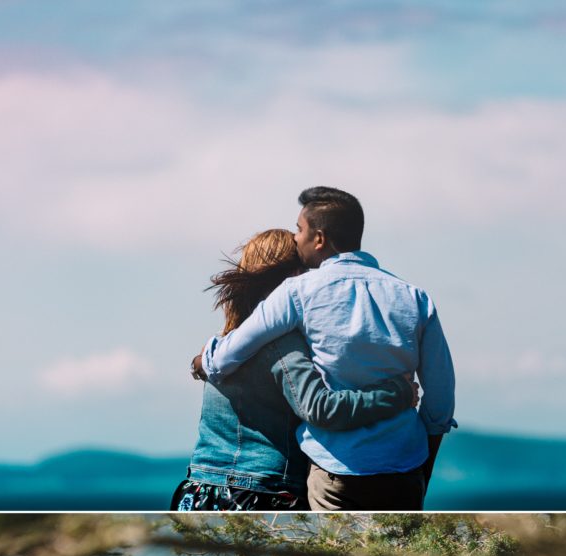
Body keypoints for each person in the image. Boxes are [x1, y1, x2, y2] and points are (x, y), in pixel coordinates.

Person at [191, 187, 456, 511]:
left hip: (324, 472)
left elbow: (221, 359)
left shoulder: (291, 298)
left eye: (300, 230)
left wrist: (203, 360)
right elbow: (440, 403)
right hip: (400, 467)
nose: (298, 240)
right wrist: (419, 462)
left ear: (319, 238)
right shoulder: (415, 297)